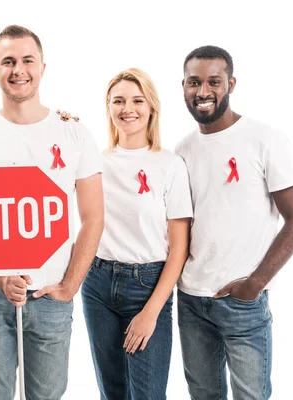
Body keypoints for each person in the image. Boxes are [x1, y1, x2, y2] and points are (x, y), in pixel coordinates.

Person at [0, 25, 104, 400]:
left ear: (42, 67)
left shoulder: (75, 134)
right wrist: (3, 278)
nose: (18, 69)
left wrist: (70, 286)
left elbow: (93, 217)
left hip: (52, 296)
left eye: (26, 61)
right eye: (8, 61)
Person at [176, 45, 293, 400]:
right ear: (184, 86)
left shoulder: (264, 139)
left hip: (242, 301)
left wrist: (255, 284)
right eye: (194, 82)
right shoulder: (183, 150)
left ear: (231, 84)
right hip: (191, 299)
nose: (203, 92)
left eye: (213, 82)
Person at [81, 68, 192, 400]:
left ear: (151, 107)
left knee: (147, 394)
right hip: (98, 283)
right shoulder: (94, 163)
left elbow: (179, 248)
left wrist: (151, 311)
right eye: (118, 101)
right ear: (108, 108)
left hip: (148, 286)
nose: (127, 109)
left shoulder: (169, 164)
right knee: (111, 392)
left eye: (136, 100)